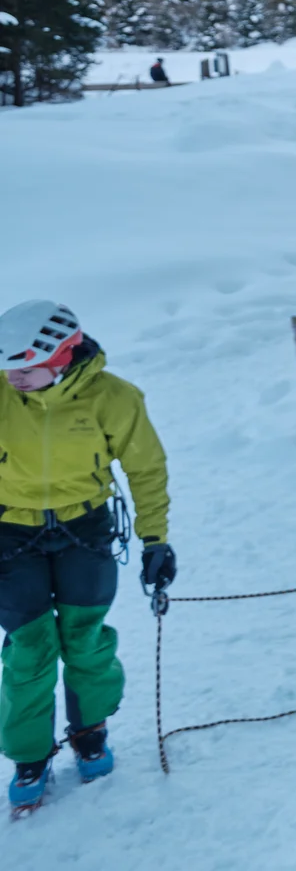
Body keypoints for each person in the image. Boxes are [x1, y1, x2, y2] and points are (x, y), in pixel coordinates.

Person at [0, 301, 173, 810]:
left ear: (62, 356)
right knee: (29, 648)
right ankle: (29, 755)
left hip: (85, 529)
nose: (14, 378)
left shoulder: (113, 397)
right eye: (7, 368)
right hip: (10, 532)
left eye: (25, 369)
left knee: (86, 639)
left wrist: (155, 539)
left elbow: (147, 469)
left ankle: (89, 731)